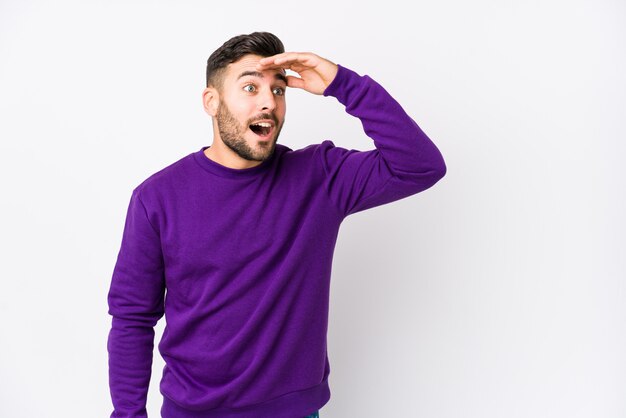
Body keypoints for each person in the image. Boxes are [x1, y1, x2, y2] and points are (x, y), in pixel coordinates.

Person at [107, 31, 446, 418]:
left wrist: (343, 84)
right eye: (250, 87)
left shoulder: (319, 177)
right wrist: (127, 414)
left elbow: (421, 165)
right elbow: (132, 318)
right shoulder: (157, 198)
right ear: (211, 101)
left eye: (279, 90)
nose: (269, 102)